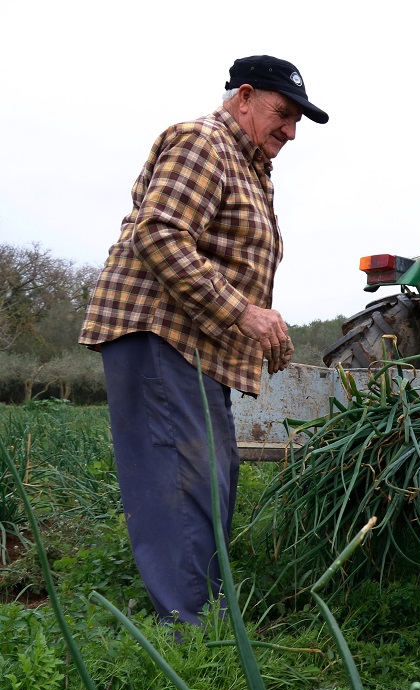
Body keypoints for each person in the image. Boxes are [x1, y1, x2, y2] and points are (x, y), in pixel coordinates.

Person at [78, 55, 328, 625]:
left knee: (210, 480)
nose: (290, 131)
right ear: (243, 98)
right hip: (159, 335)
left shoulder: (249, 166)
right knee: (181, 477)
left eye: (296, 122)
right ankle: (190, 627)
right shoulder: (204, 143)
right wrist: (244, 312)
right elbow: (160, 234)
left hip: (198, 348)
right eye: (282, 113)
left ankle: (202, 611)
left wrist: (261, 324)